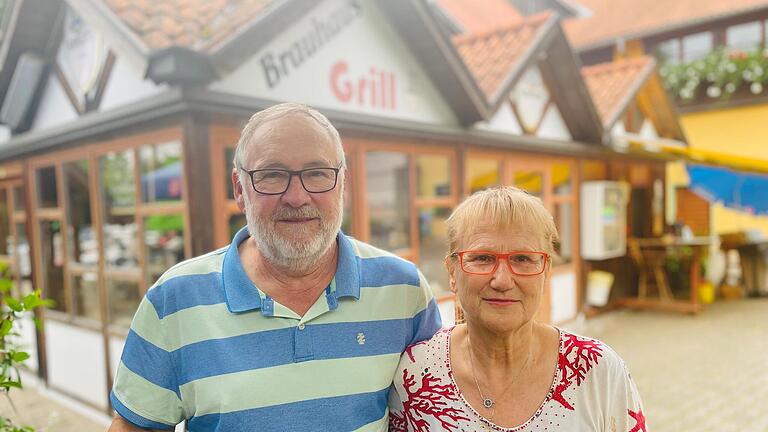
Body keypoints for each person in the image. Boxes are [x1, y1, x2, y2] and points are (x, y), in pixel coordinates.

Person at [108, 103, 441, 432]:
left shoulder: (404, 290)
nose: (296, 197)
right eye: (272, 175)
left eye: (316, 173)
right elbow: (135, 426)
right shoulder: (174, 300)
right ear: (240, 189)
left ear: (342, 184)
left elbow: (432, 413)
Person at [388, 186, 646, 431]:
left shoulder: (598, 371)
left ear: (545, 272)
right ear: (452, 272)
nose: (502, 280)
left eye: (522, 259)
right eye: (482, 258)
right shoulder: (415, 374)